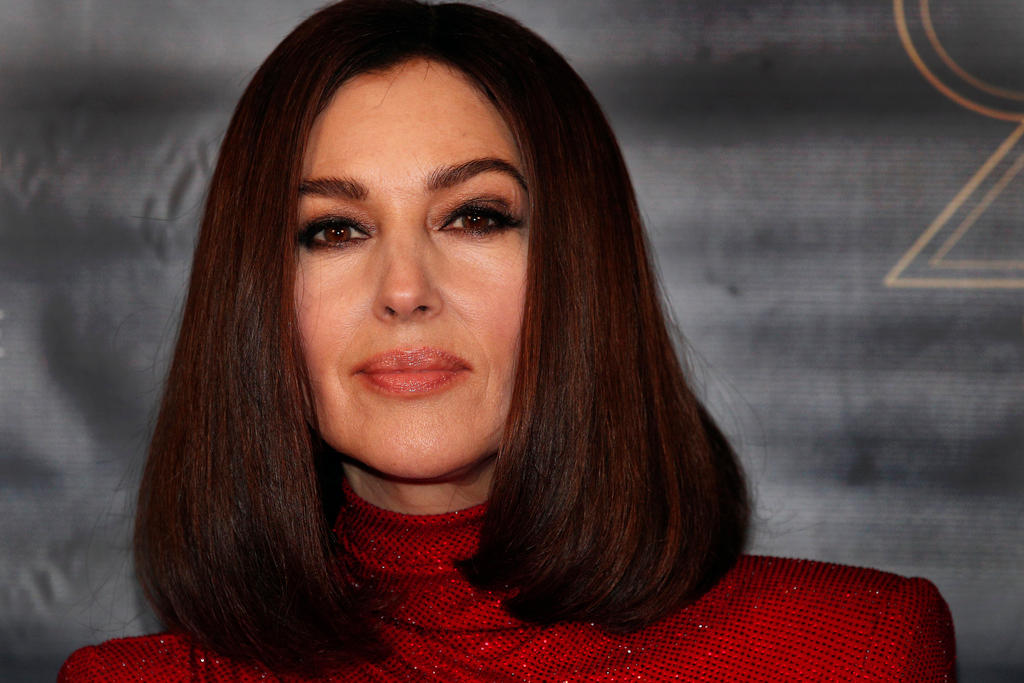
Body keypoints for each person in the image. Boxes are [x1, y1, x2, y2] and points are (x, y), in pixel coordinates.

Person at [60, 0, 956, 680]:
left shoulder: (850, 650)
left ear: (582, 269)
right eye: (333, 229)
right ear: (254, 297)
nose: (404, 290)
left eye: (476, 216)